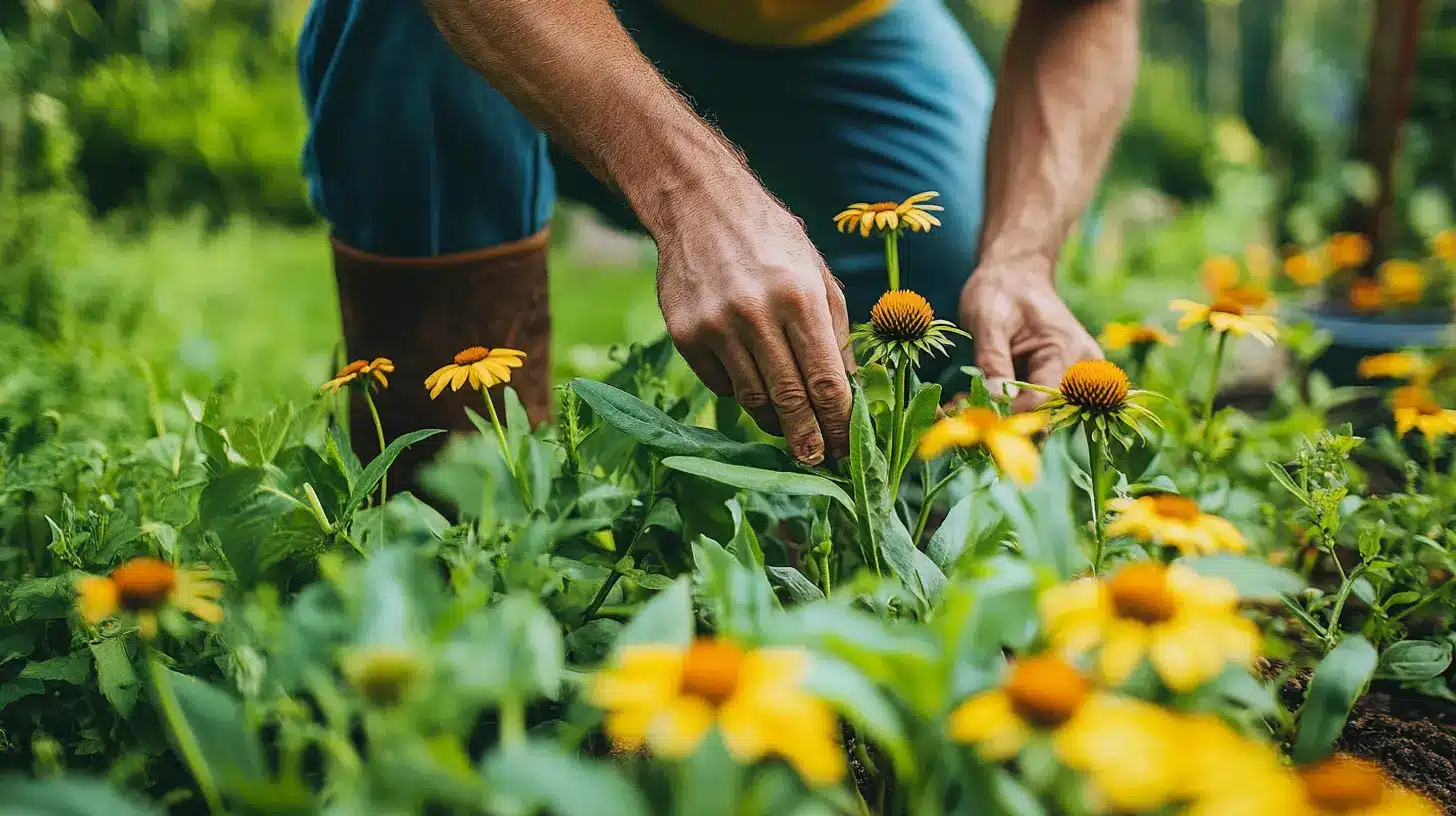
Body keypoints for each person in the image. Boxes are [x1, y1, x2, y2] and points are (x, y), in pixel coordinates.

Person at [298, 0, 1134, 483]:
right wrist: (691, 190)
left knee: (946, 293)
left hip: (832, 37)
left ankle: (864, 535)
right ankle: (453, 528)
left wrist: (1022, 253)